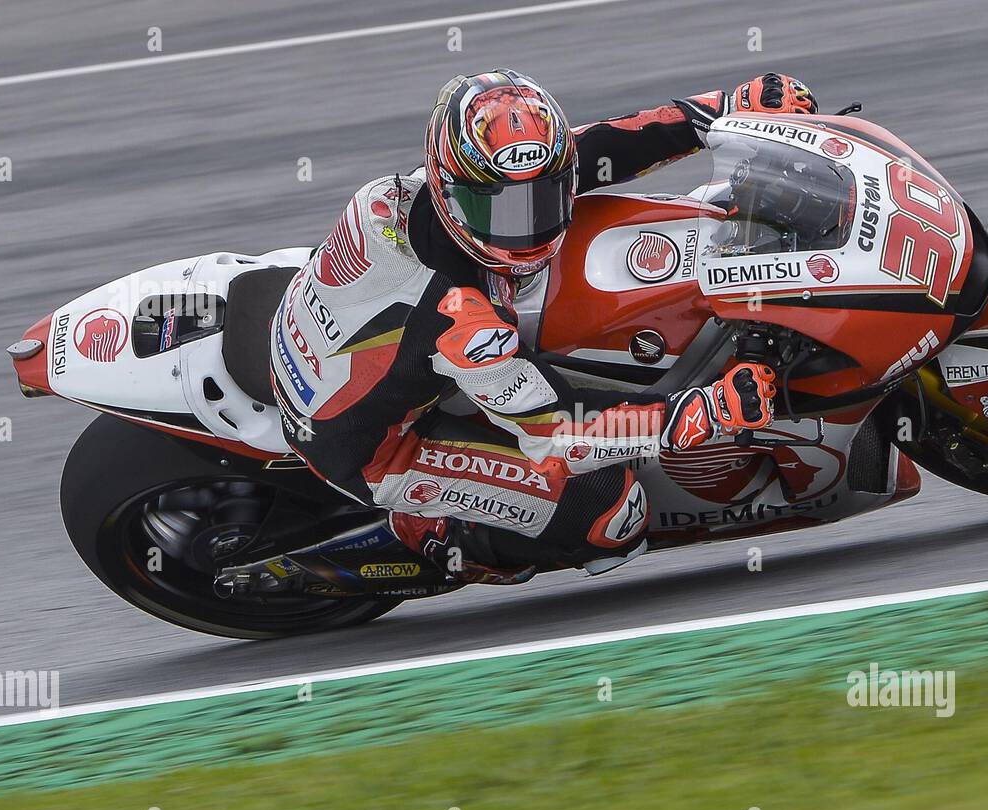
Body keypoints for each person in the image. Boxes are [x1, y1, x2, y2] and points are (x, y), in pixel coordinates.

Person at [269, 69, 819, 583]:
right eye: (503, 211)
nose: (527, 228)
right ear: (449, 191)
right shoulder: (461, 320)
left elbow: (600, 150)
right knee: (611, 512)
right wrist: (696, 413)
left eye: (543, 198)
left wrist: (725, 110)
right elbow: (557, 431)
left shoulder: (416, 191)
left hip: (330, 342)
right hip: (371, 448)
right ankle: (431, 535)